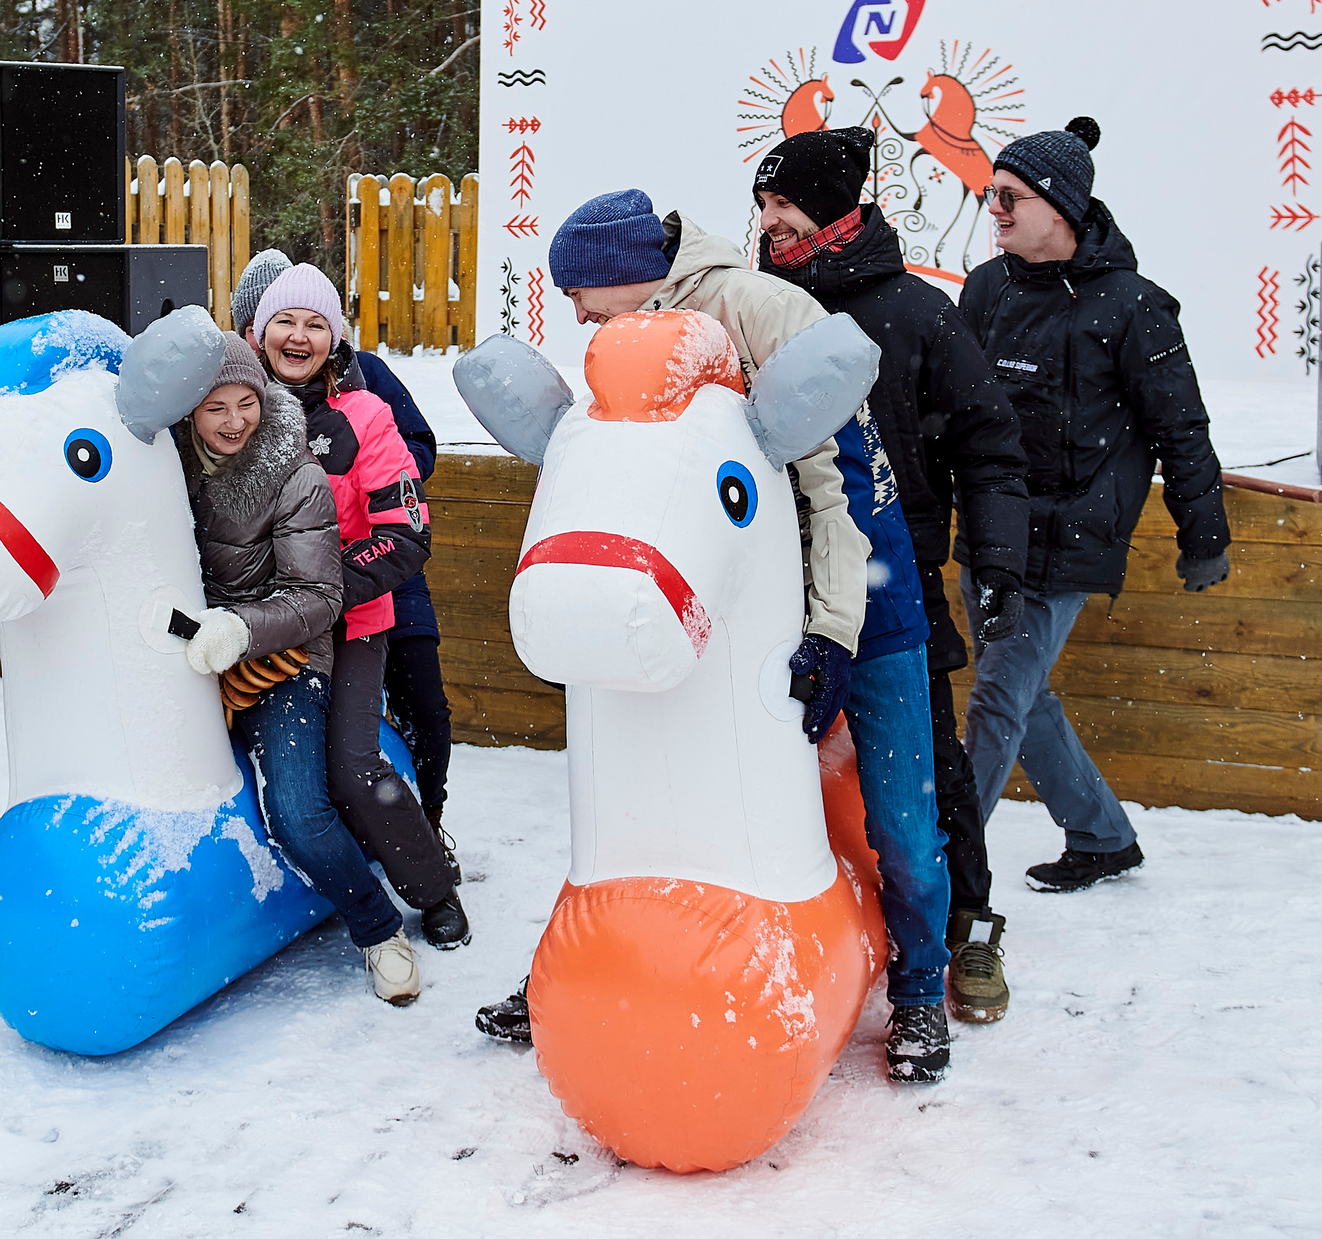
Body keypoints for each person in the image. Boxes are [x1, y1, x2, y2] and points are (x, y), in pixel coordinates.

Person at [477, 190, 875, 1053]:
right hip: (667, 607)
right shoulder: (621, 350)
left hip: (778, 605)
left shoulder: (757, 308)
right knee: (630, 800)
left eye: (580, 292)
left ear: (626, 273)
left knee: (894, 804)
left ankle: (918, 976)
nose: (576, 314)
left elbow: (832, 487)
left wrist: (833, 625)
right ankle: (565, 975)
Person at [753, 126, 1032, 1032]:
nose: (770, 222)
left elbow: (989, 445)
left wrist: (997, 561)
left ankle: (968, 927)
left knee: (929, 781)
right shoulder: (756, 309)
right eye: (762, 206)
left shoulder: (915, 313)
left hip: (892, 585)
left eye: (785, 204)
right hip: (773, 587)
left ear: (835, 208)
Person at [957, 117, 1232, 892]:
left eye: (1009, 196)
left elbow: (1181, 427)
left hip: (1071, 535)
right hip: (989, 529)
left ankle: (944, 878)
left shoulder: (1133, 307)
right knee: (1022, 693)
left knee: (997, 701)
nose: (995, 209)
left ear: (1060, 206)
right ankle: (1102, 835)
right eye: (990, 194)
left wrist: (1203, 533)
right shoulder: (986, 289)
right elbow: (952, 407)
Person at [173, 333, 429, 1003]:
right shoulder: (166, 465)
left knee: (296, 810)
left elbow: (318, 595)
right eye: (215, 408)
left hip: (284, 654)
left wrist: (241, 629)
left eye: (246, 404)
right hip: (190, 647)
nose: (234, 421)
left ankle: (379, 930)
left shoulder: (295, 472)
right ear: (188, 410)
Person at [246, 263, 471, 973]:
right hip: (258, 628)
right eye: (285, 321)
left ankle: (431, 886)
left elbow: (405, 530)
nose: (299, 335)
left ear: (335, 340)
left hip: (353, 623)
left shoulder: (365, 414)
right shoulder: (234, 412)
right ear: (258, 333)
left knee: (351, 765)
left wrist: (320, 591)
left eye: (316, 324)